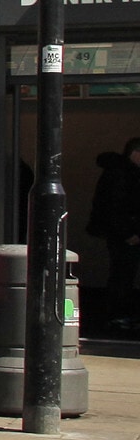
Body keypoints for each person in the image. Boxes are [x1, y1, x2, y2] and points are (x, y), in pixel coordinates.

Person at [87, 139, 140, 333]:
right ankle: (118, 314)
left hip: (121, 233)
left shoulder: (119, 172)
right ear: (134, 153)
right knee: (123, 274)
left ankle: (118, 314)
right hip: (125, 235)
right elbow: (116, 207)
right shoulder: (123, 174)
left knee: (122, 273)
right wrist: (129, 233)